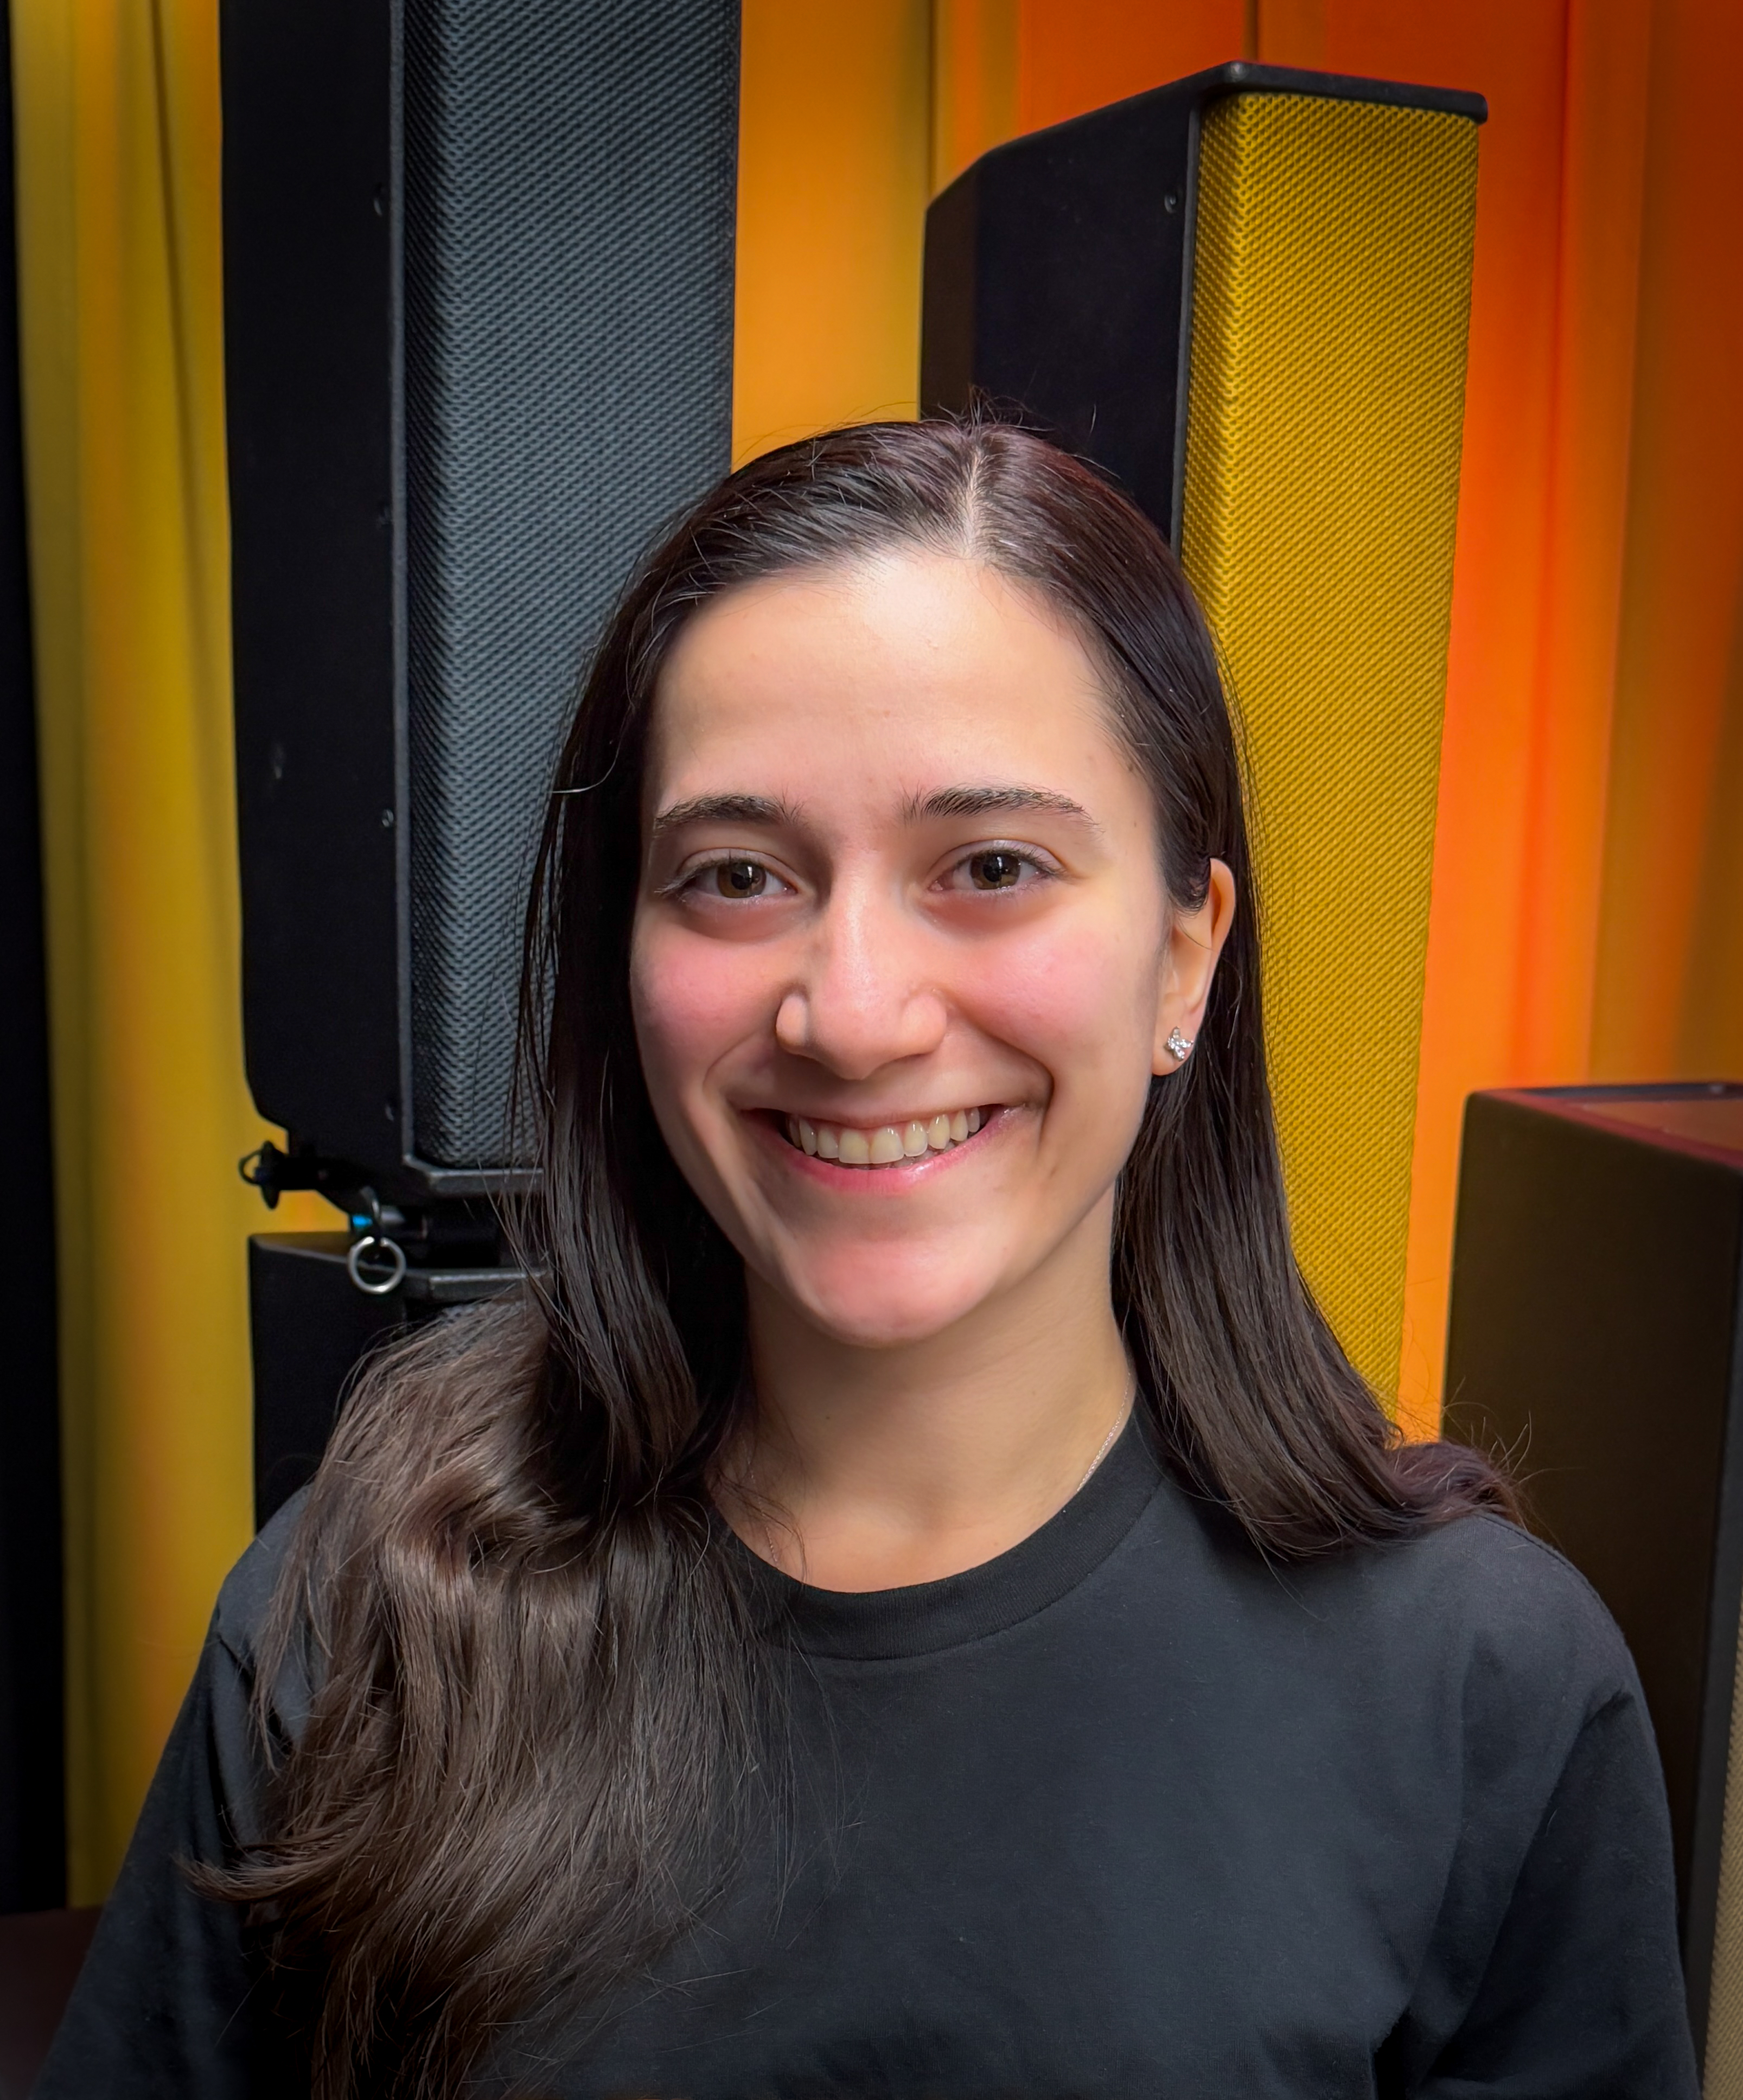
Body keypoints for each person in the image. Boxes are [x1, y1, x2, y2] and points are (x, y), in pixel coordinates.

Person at [39, 419, 1697, 2099]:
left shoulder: (1492, 1695)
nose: (853, 1013)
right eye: (739, 875)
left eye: (989, 868)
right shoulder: (355, 1617)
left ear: (1186, 957)